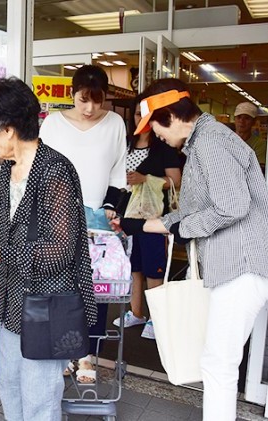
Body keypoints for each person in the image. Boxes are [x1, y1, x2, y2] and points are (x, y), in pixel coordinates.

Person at [112, 78, 268, 421]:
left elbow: (232, 206)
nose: (154, 133)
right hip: (234, 266)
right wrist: (140, 224)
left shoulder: (212, 141)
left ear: (170, 115)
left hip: (241, 265)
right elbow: (196, 211)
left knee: (218, 364)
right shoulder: (201, 143)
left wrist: (183, 229)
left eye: (154, 124)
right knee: (217, 362)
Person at [0, 77, 97, 421]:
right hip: (13, 298)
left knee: (39, 396)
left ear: (7, 130)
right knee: (9, 383)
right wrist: (1, 275)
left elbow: (60, 250)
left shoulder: (55, 171)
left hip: (47, 305)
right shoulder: (9, 168)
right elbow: (11, 233)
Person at [39, 64, 127, 382]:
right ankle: (64, 351)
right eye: (83, 100)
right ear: (72, 94)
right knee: (60, 286)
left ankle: (88, 355)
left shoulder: (115, 123)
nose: (90, 108)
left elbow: (118, 173)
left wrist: (110, 208)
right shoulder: (53, 124)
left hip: (97, 219)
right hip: (57, 215)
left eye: (97, 100)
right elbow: (40, 169)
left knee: (96, 289)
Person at [112, 95, 181, 340]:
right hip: (127, 215)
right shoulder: (126, 143)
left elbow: (176, 181)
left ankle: (156, 319)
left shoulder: (164, 145)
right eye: (138, 114)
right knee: (135, 267)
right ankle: (137, 312)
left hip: (153, 217)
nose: (141, 119)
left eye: (147, 114)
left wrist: (146, 179)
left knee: (154, 268)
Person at [234, 101, 265, 172]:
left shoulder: (260, 144)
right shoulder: (224, 140)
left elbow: (256, 171)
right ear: (234, 119)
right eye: (239, 117)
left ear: (254, 122)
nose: (241, 121)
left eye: (247, 118)